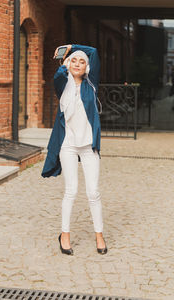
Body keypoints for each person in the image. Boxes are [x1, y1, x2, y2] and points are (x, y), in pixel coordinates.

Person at [41, 44, 107, 255]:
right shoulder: (63, 84)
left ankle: (99, 235)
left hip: (88, 147)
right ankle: (65, 235)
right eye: (74, 60)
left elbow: (94, 52)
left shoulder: (91, 84)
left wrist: (73, 47)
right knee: (71, 191)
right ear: (68, 64)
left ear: (87, 67)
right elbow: (60, 72)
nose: (78, 64)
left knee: (93, 192)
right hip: (67, 145)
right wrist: (65, 58)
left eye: (82, 61)